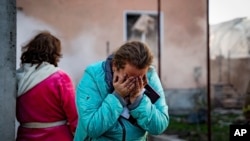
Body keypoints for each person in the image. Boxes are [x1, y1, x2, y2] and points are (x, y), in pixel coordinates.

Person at [74, 41, 169, 141]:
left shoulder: (149, 75)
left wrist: (139, 100)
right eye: (129, 77)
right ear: (115, 66)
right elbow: (92, 128)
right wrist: (117, 97)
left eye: (139, 78)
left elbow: (159, 127)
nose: (135, 83)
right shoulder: (93, 76)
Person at [16, 31, 78, 141]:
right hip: (58, 137)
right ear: (54, 53)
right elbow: (73, 115)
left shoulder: (16, 77)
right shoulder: (60, 78)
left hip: (24, 136)